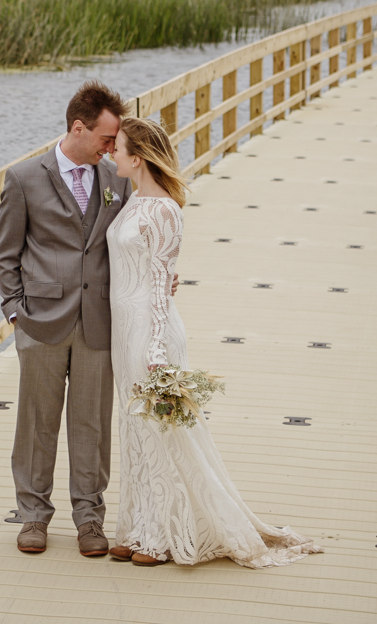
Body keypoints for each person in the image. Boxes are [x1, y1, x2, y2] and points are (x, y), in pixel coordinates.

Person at [105, 115, 323, 568]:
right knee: (134, 429)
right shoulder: (131, 198)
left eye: (118, 148)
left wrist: (156, 351)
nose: (112, 153)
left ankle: (161, 537)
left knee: (161, 430)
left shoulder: (165, 210)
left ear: (138, 157)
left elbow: (162, 281)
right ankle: (136, 525)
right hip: (122, 329)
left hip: (151, 330)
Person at [0, 81, 132, 557]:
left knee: (92, 423)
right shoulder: (24, 178)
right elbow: (6, 253)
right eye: (107, 139)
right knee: (37, 422)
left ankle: (89, 518)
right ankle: (32, 516)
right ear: (79, 127)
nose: (113, 148)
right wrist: (15, 311)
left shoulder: (118, 180)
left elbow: (130, 244)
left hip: (99, 321)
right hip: (41, 321)